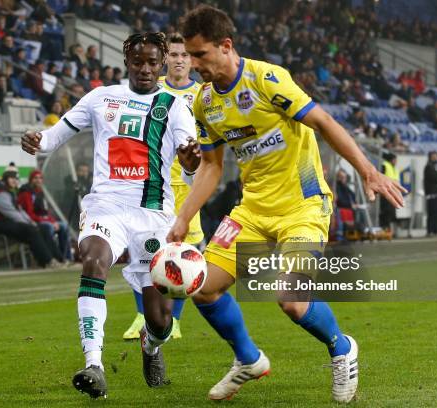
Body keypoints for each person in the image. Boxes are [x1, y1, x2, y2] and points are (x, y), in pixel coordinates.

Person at [167, 5, 406, 402]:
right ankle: (248, 359)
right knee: (202, 288)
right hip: (253, 211)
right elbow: (211, 165)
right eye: (188, 56)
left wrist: (367, 170)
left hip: (303, 206)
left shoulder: (266, 79)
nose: (192, 65)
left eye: (200, 54)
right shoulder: (205, 103)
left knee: (291, 300)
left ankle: (342, 348)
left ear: (226, 46)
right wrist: (183, 219)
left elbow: (325, 123)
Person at [21, 32, 200, 399]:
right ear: (126, 61)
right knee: (94, 259)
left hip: (152, 216)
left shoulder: (176, 106)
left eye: (152, 62)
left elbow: (189, 160)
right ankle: (94, 364)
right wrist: (36, 140)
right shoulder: (101, 98)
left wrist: (191, 160)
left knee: (161, 319)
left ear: (163, 61)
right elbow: (52, 138)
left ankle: (151, 345)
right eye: (138, 62)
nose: (145, 69)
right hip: (106, 206)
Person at [122, 32, 203, 341]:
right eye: (175, 55)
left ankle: (176, 319)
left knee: (183, 250)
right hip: (151, 181)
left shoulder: (202, 94)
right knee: (141, 250)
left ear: (192, 61)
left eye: (186, 56)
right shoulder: (149, 90)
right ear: (165, 59)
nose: (180, 60)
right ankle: (143, 315)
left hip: (187, 183)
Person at [0, 170, 64, 268]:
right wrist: (29, 224)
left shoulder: (8, 192)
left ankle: (59, 260)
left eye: (16, 179)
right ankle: (48, 261)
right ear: (5, 179)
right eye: (12, 178)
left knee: (43, 228)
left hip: (5, 222)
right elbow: (12, 213)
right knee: (31, 230)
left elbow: (20, 210)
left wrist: (31, 222)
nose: (15, 181)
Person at [17, 170, 72, 261]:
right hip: (32, 222)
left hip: (43, 220)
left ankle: (67, 258)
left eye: (40, 178)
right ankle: (52, 258)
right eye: (36, 178)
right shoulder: (26, 193)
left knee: (64, 226)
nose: (38, 180)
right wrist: (47, 221)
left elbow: (45, 212)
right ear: (31, 180)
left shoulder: (40, 192)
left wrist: (53, 221)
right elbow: (29, 214)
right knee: (48, 227)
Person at [424, 151, 437, 236]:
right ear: (430, 157)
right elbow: (435, 178)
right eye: (434, 156)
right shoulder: (429, 167)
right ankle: (430, 231)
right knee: (432, 213)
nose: (436, 157)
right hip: (432, 194)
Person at [380, 152, 399, 232]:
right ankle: (385, 228)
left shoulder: (394, 168)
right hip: (386, 192)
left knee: (391, 212)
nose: (396, 161)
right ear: (391, 160)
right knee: (386, 211)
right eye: (395, 159)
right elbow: (381, 177)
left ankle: (389, 229)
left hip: (393, 192)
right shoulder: (385, 165)